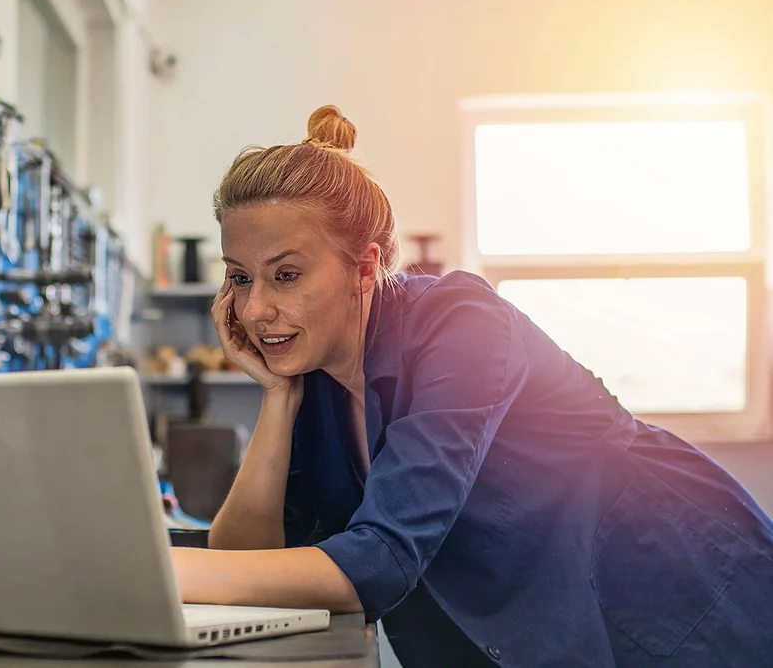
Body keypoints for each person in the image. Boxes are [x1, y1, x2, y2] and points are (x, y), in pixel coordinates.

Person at [170, 105, 773, 667]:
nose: (254, 310)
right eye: (241, 278)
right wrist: (278, 397)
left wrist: (161, 570)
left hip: (679, 587)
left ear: (362, 268)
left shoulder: (461, 324)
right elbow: (245, 567)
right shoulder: (315, 383)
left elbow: (381, 559)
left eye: (287, 275)